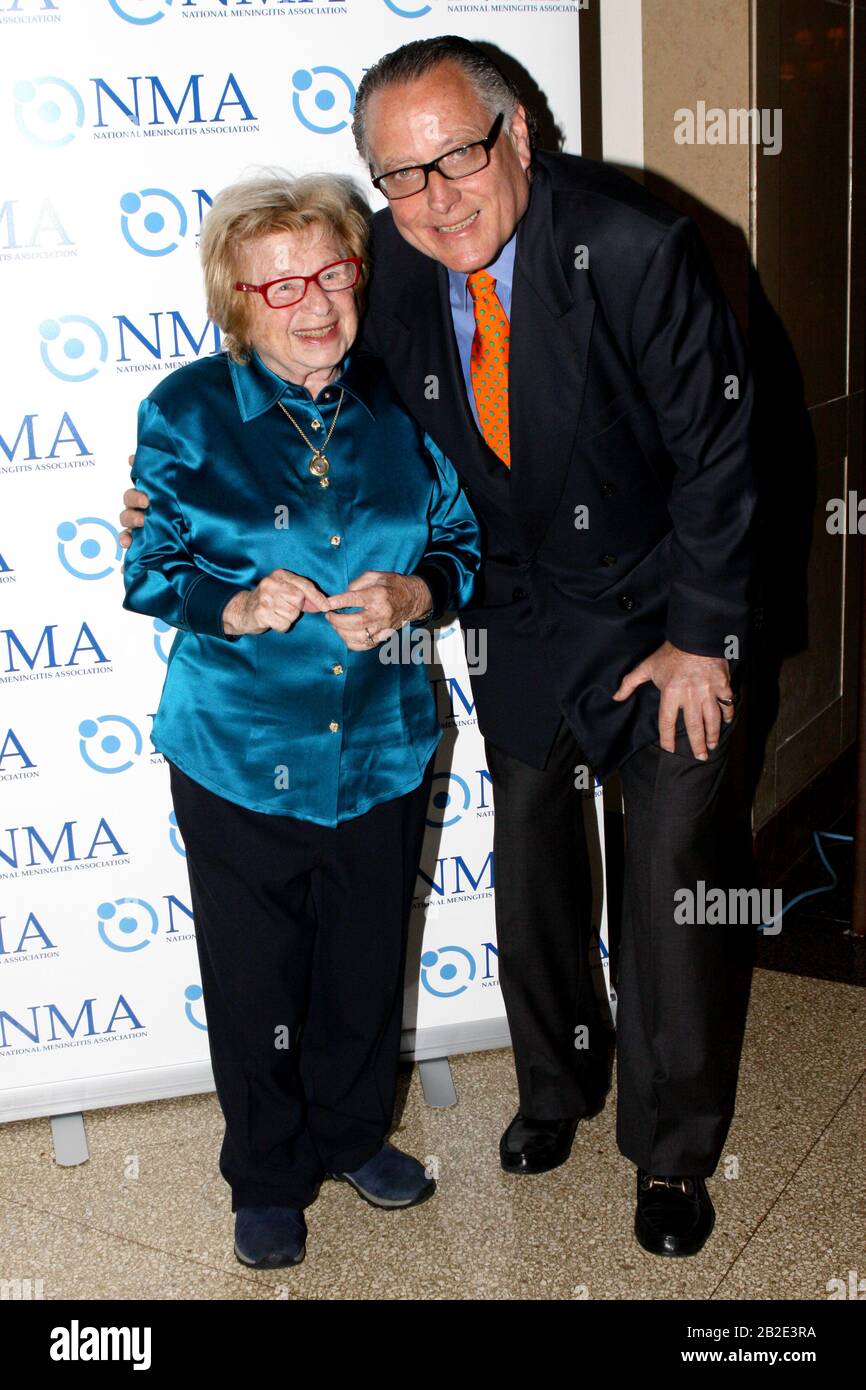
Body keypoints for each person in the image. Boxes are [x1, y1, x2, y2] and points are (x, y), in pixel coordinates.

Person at [122, 36, 758, 1259]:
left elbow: (722, 463)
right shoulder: (388, 270)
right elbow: (278, 387)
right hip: (516, 618)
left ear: (517, 137)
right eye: (398, 178)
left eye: (455, 157)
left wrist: (697, 639)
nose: (433, 198)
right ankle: (557, 1089)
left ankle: (671, 1154)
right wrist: (167, 516)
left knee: (670, 872)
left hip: (659, 618)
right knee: (532, 874)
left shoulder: (632, 250)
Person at [121, 171, 480, 1271]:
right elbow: (146, 564)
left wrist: (414, 597)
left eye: (331, 273)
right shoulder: (186, 410)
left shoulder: (404, 402)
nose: (313, 302)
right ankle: (268, 1172)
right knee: (255, 973)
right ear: (236, 301)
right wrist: (229, 603)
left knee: (365, 958)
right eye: (278, 285)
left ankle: (351, 1132)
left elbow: (457, 543)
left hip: (381, 741)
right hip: (238, 754)